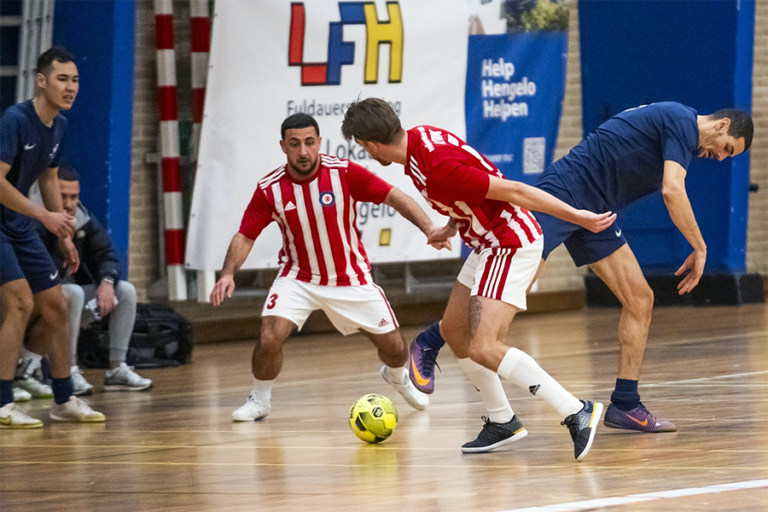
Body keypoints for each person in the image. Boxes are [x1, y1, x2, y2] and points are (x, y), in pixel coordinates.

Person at [407, 102, 753, 434]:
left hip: (596, 214)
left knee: (640, 300)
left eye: (729, 155)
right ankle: (432, 340)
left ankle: (626, 404)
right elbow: (672, 189)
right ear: (722, 125)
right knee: (504, 297)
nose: (721, 156)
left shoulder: (682, 134)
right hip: (565, 193)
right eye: (726, 147)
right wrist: (700, 247)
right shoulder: (681, 121)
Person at [342, 98, 616, 460]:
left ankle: (575, 410)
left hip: (509, 241)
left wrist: (577, 216)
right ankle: (502, 420)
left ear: (370, 145)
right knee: (456, 333)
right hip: (486, 242)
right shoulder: (421, 141)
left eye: (361, 146)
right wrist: (451, 225)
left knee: (485, 346)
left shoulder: (436, 167)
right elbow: (466, 189)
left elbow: (515, 191)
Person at [210, 113, 452, 422]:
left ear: (319, 143)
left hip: (351, 277)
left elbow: (394, 196)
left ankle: (396, 377)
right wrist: (228, 273)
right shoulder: (270, 189)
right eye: (295, 144)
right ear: (283, 146)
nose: (303, 151)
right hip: (298, 277)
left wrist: (429, 227)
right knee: (269, 338)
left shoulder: (343, 173)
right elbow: (245, 235)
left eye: (309, 142)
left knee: (394, 348)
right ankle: (260, 399)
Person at [0, 47, 105, 428]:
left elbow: (48, 176)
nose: (70, 87)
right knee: (20, 302)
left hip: (18, 223)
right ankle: (3, 403)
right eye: (62, 79)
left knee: (57, 305)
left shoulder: (59, 126)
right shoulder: (14, 120)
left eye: (75, 80)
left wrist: (63, 233)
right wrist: (43, 215)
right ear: (41, 81)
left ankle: (63, 400)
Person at [20, 163, 152, 396]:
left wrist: (107, 282)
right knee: (74, 293)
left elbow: (106, 255)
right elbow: (37, 275)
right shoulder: (32, 221)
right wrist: (60, 239)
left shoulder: (82, 219)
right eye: (63, 196)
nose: (69, 204)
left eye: (74, 197)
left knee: (125, 291)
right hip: (37, 309)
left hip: (74, 307)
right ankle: (67, 369)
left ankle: (117, 369)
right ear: (46, 194)